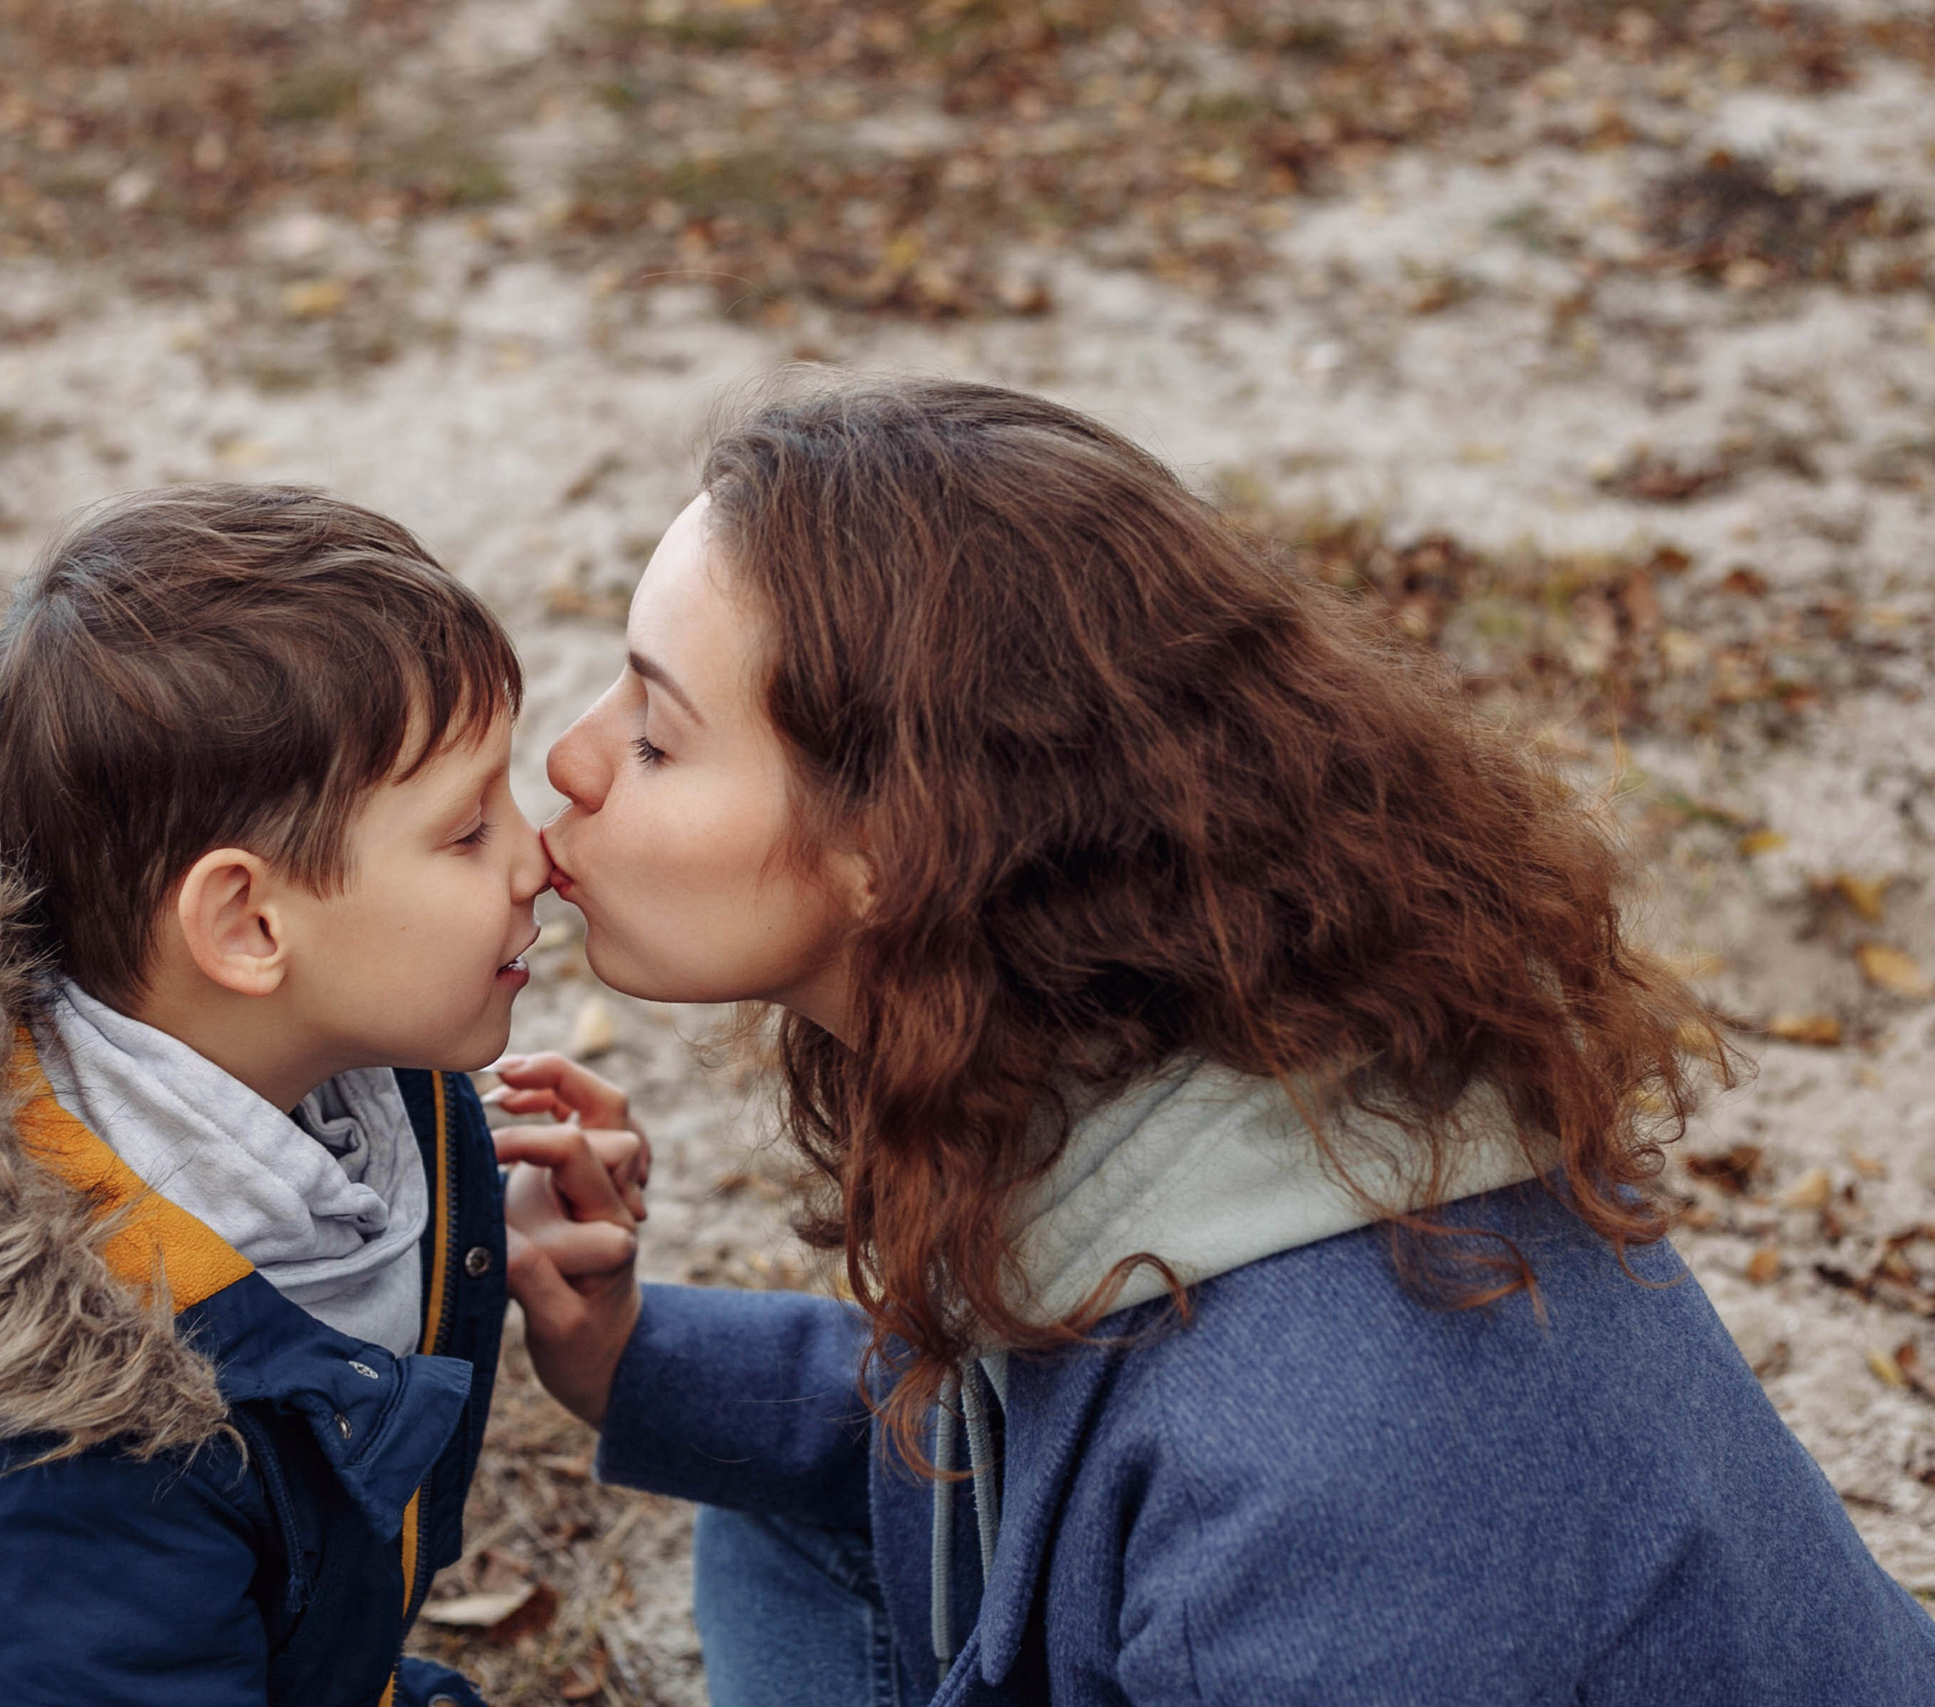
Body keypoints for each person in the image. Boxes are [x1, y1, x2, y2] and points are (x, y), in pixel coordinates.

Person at [497, 375, 1935, 1706]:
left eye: (658, 733)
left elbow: (1225, 1448)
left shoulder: (1319, 1456)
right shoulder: (1164, 1048)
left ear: (902, 838)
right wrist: (631, 1355)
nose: (570, 755)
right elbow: (1010, 1405)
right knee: (794, 1516)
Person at [0, 486, 645, 1705]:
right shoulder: (58, 1459)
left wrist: (476, 1248)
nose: (538, 858)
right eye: (467, 830)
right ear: (249, 923)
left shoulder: (332, 1044)